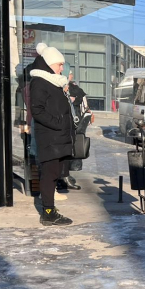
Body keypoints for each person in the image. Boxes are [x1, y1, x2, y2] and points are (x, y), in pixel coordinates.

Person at [29, 46, 75, 226]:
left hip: (57, 136)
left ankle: (50, 208)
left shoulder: (53, 81)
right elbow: (37, 111)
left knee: (54, 173)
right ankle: (48, 213)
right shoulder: (40, 82)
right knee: (49, 174)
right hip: (50, 137)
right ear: (49, 63)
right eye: (60, 64)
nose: (62, 68)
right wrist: (58, 123)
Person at [56, 66, 94, 194]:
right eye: (70, 73)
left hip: (70, 124)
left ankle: (64, 177)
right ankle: (62, 178)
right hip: (65, 124)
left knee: (67, 151)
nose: (71, 76)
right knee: (64, 151)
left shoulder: (73, 89)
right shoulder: (63, 87)